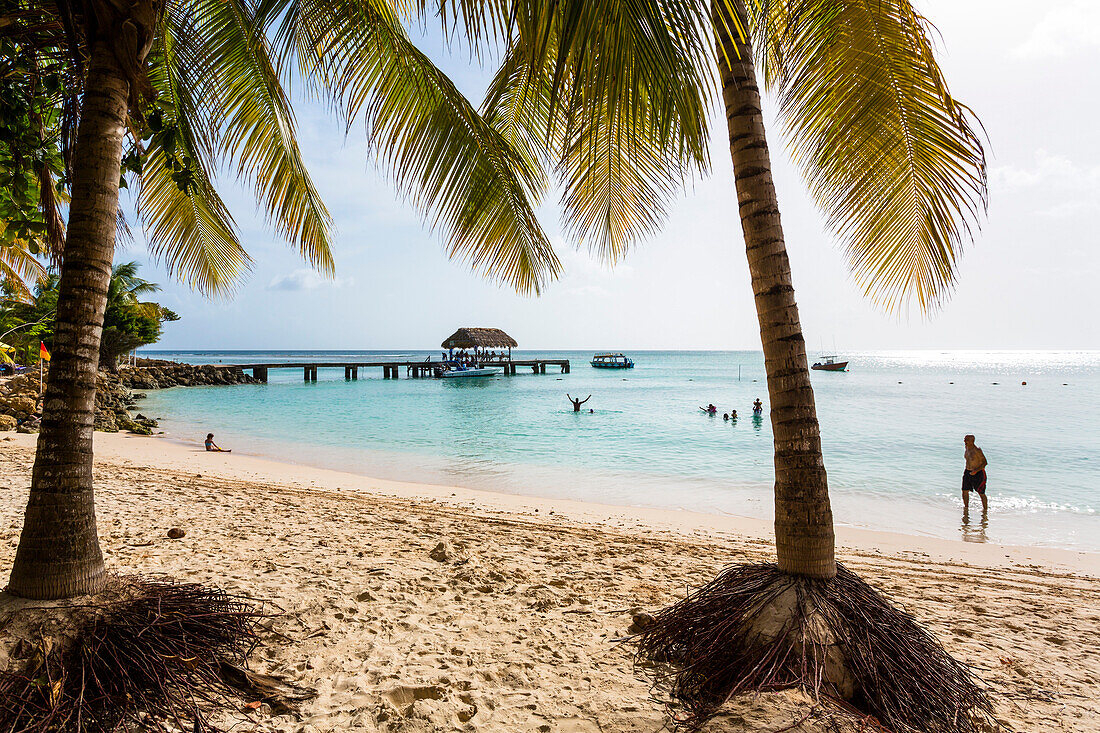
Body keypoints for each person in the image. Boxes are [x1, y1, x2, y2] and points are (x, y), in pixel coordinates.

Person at [962, 434, 988, 513]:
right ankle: (966, 508)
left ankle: (985, 510)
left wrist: (976, 471)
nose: (964, 441)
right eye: (964, 439)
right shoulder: (966, 448)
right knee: (964, 490)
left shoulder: (977, 451)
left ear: (972, 441)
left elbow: (985, 463)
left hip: (978, 473)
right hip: (967, 471)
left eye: (966, 440)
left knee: (981, 493)